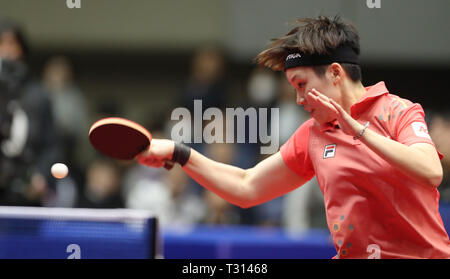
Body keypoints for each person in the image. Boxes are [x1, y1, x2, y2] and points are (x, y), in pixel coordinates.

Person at [137, 15, 450, 259]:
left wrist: (359, 131)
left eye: (302, 84)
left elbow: (431, 170)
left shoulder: (398, 111)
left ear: (336, 74)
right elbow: (247, 187)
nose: (299, 99)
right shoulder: (313, 135)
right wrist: (181, 153)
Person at [0, 20, 60, 206]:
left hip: (26, 193)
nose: (7, 51)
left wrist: (41, 176)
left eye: (12, 44)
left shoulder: (38, 95)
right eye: (1, 44)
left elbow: (52, 144)